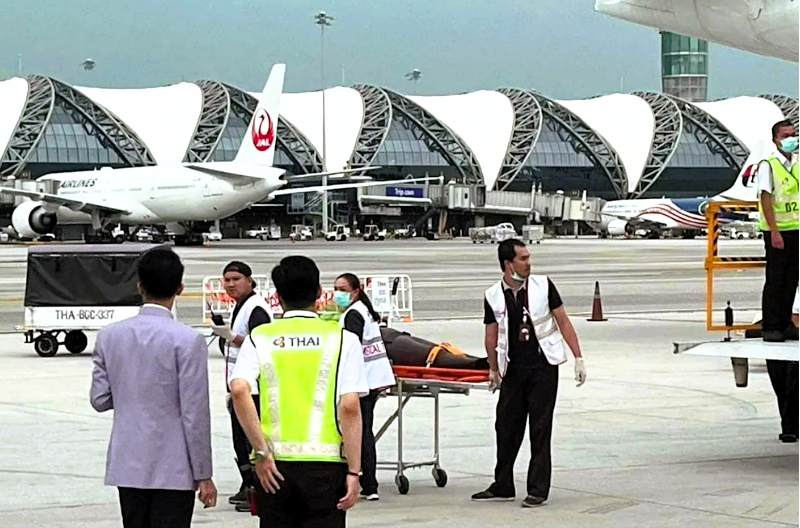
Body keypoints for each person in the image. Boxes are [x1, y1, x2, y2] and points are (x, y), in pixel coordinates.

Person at [230, 256, 368, 528]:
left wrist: (261, 452)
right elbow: (350, 406)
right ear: (319, 293)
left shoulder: (260, 337)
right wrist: (355, 470)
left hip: (274, 465)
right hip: (325, 466)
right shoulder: (342, 339)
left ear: (277, 297)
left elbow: (238, 390)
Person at [90, 247, 217, 528]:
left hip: (128, 461)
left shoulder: (109, 336)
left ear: (139, 287)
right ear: (180, 288)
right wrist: (204, 473)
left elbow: (99, 399)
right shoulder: (188, 340)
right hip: (174, 466)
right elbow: (194, 414)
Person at [472, 238, 586, 508]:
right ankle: (503, 484)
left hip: (543, 366)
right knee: (505, 426)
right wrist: (493, 369)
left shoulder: (543, 285)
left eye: (529, 257)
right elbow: (490, 336)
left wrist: (578, 357)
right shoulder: (493, 295)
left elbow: (563, 320)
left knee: (540, 428)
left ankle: (538, 489)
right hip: (512, 369)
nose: (529, 263)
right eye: (523, 259)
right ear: (508, 264)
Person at [210, 261, 274, 510]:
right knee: (239, 440)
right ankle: (247, 484)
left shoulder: (256, 308)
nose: (230, 284)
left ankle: (256, 489)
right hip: (239, 386)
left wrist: (232, 337)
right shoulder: (242, 306)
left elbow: (261, 343)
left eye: (236, 279)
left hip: (253, 389)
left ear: (250, 280)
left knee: (249, 440)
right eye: (226, 280)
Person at [333, 273, 396, 501]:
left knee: (358, 432)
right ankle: (369, 482)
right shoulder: (362, 310)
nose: (338, 294)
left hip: (363, 381)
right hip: (373, 379)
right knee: (364, 431)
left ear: (356, 290)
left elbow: (351, 348)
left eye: (342, 289)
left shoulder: (353, 315)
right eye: (335, 289)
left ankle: (366, 482)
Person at [758, 118, 799, 343]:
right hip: (778, 230)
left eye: (793, 134)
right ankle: (771, 325)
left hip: (796, 228)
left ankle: (786, 324)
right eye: (786, 136)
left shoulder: (797, 163)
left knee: (792, 278)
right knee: (776, 279)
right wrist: (774, 231)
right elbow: (766, 197)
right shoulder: (769, 164)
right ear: (775, 140)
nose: (791, 139)